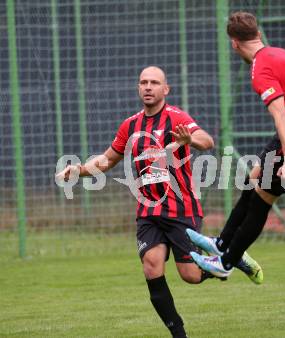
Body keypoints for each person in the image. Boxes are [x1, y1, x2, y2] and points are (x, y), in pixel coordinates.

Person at [56, 66, 257, 337]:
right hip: (148, 210)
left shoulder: (176, 118)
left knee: (190, 275)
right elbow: (107, 159)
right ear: (138, 88)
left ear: (165, 89)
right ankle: (179, 335)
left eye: (154, 83)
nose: (148, 87)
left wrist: (190, 140)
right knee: (151, 265)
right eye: (143, 82)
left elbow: (206, 141)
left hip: (181, 208)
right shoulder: (130, 125)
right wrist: (79, 170)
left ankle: (230, 258)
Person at [188, 11, 285, 278]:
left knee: (262, 200)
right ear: (258, 34)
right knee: (253, 179)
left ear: (234, 43)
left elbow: (281, 114)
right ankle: (223, 242)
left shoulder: (261, 69)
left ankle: (226, 263)